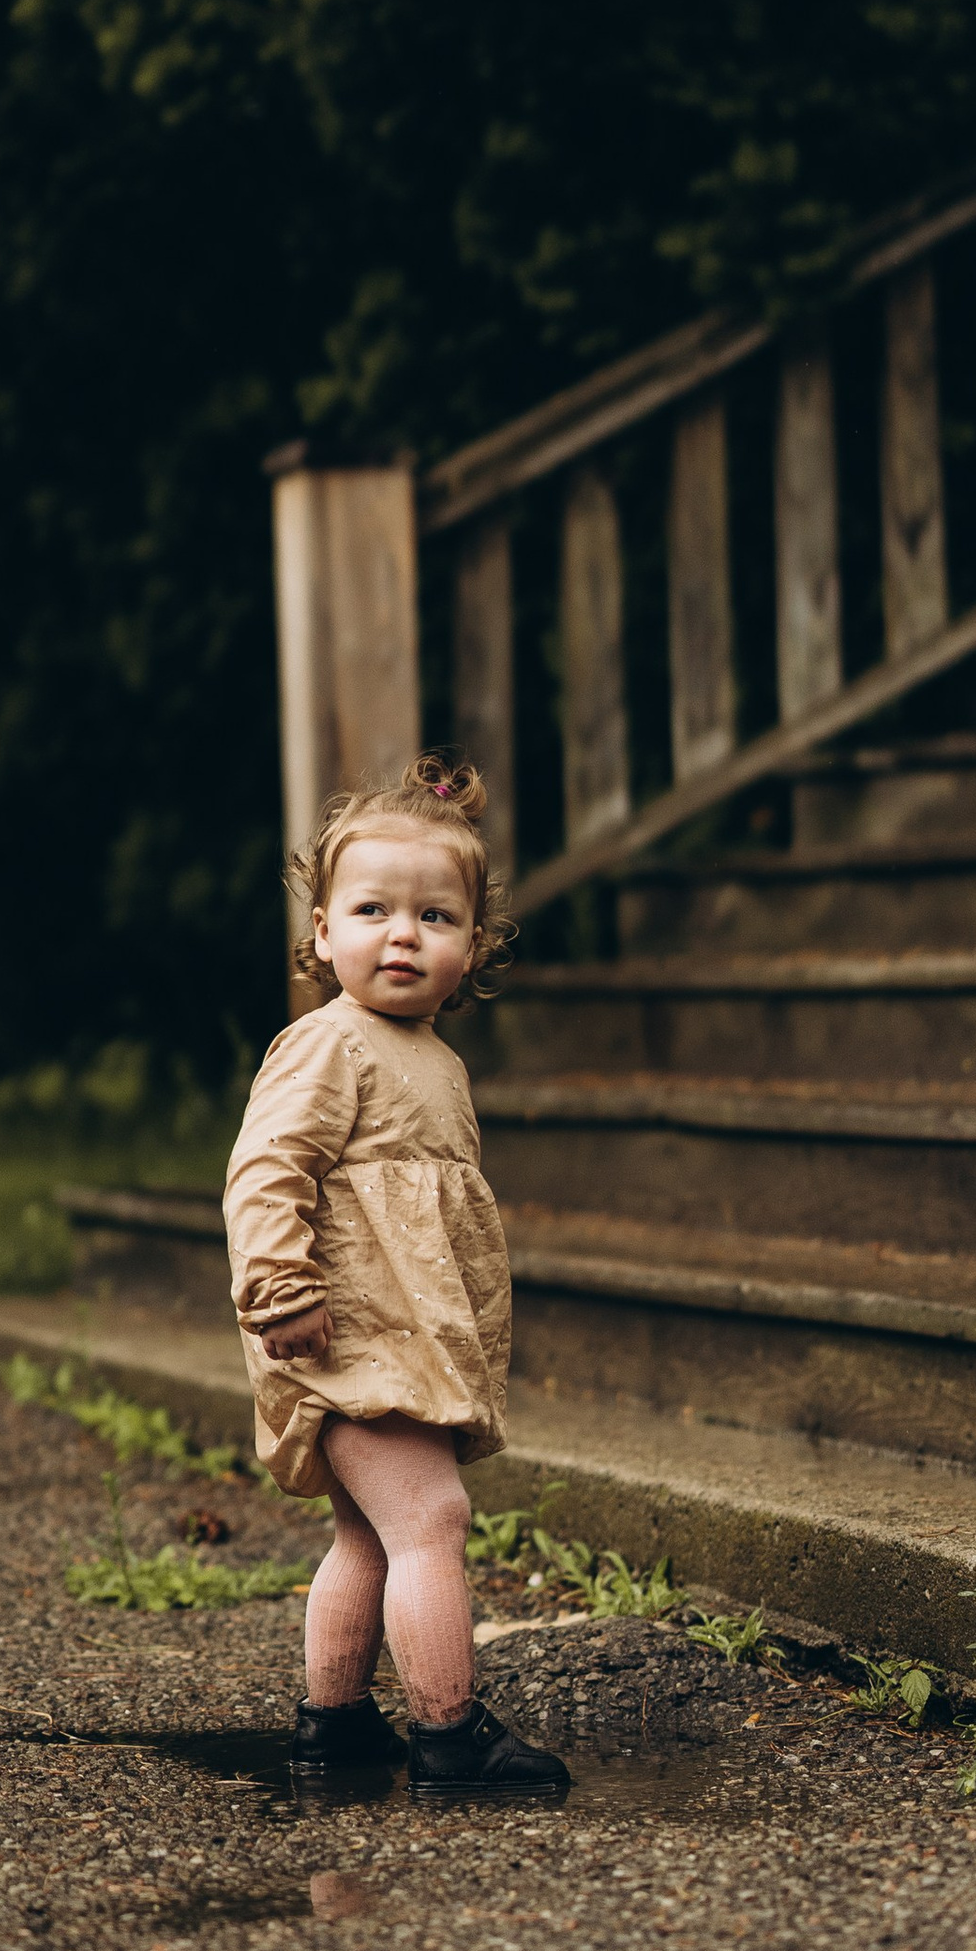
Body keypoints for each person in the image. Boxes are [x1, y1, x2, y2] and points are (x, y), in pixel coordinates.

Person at [223, 753, 568, 1796]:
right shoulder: (327, 1045)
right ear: (323, 933)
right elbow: (265, 1171)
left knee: (367, 1533)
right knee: (431, 1521)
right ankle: (449, 1735)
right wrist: (279, 1291)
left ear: (473, 945)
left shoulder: (432, 1059)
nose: (402, 934)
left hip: (408, 1334)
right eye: (371, 909)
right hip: (346, 1333)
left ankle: (332, 1724)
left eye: (434, 916)